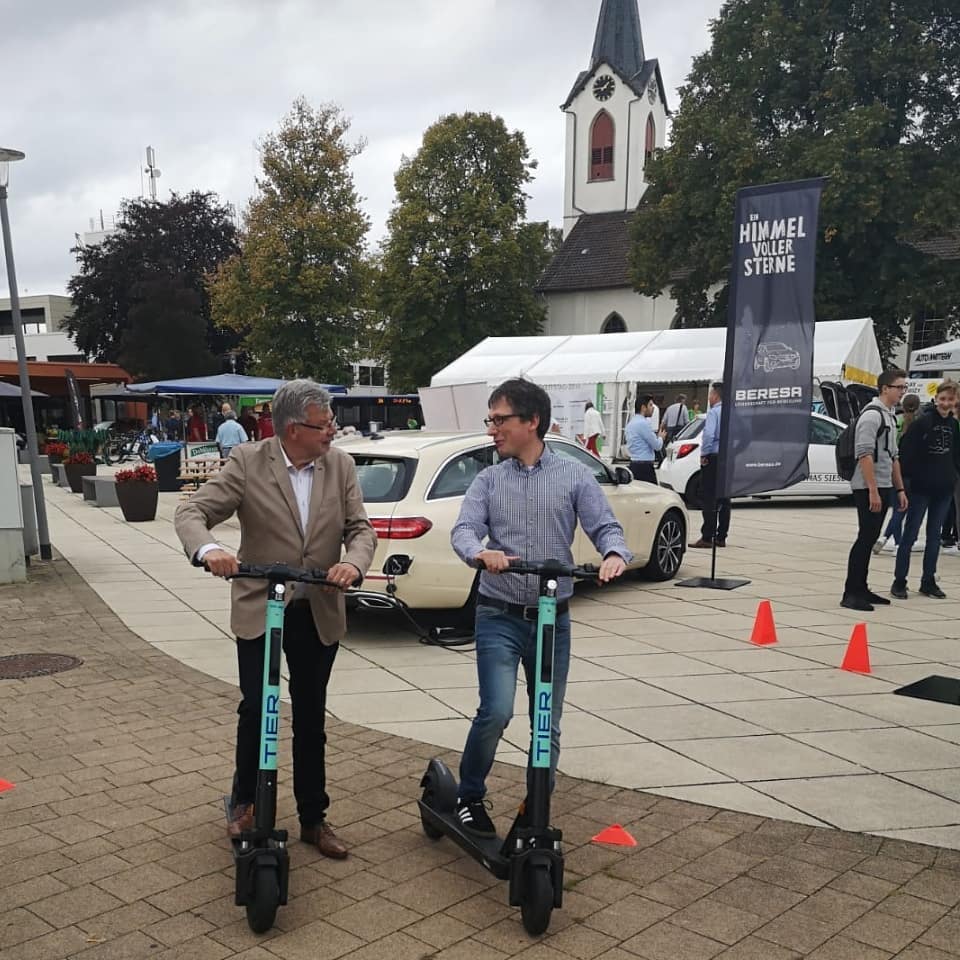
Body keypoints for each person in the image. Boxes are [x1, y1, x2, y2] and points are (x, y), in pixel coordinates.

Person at [174, 379, 377, 858]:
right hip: (263, 606)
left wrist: (355, 562)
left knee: (310, 716)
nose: (332, 432)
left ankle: (313, 818)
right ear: (291, 429)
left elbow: (360, 528)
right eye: (322, 425)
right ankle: (244, 804)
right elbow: (192, 512)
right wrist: (209, 549)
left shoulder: (340, 464)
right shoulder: (249, 461)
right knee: (257, 708)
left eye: (331, 423)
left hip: (317, 608)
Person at [450, 378, 630, 837]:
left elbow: (606, 527)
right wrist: (479, 553)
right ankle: (468, 796)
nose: (493, 429)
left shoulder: (574, 477)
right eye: (490, 420)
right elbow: (464, 531)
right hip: (498, 616)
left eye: (500, 419)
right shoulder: (488, 480)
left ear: (532, 422)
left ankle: (537, 803)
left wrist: (614, 555)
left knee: (546, 721)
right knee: (497, 711)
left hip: (554, 621)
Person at [841, 368, 908, 611]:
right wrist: (872, 490)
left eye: (904, 387)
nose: (903, 391)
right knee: (865, 537)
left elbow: (893, 456)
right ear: (885, 389)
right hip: (868, 486)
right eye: (899, 387)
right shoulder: (871, 416)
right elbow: (865, 454)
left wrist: (899, 489)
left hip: (884, 485)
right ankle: (851, 592)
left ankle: (862, 587)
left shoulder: (889, 415)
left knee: (870, 537)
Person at [890, 380, 959, 600]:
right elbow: (906, 453)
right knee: (910, 535)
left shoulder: (954, 425)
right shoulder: (922, 422)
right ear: (936, 398)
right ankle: (899, 581)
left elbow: (955, 454)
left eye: (950, 399)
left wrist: (953, 475)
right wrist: (907, 484)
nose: (946, 403)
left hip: (944, 488)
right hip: (921, 488)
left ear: (955, 401)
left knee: (934, 537)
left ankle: (928, 580)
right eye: (943, 399)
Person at [876, 392, 920, 554]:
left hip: (894, 469)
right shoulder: (919, 424)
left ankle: (886, 537)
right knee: (903, 510)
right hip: (911, 473)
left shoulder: (896, 421)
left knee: (897, 508)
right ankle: (896, 543)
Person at [690, 382, 730, 548]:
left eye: (710, 394)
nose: (709, 397)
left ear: (716, 395)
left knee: (709, 497)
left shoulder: (714, 413)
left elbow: (709, 435)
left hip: (713, 457)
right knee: (725, 498)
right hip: (727, 458)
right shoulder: (731, 413)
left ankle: (707, 537)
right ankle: (721, 536)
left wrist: (704, 454)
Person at [624, 394, 666, 484]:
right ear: (643, 407)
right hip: (645, 467)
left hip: (634, 464)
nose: (653, 408)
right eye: (650, 405)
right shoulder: (643, 424)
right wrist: (661, 437)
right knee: (652, 494)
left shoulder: (631, 423)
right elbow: (657, 446)